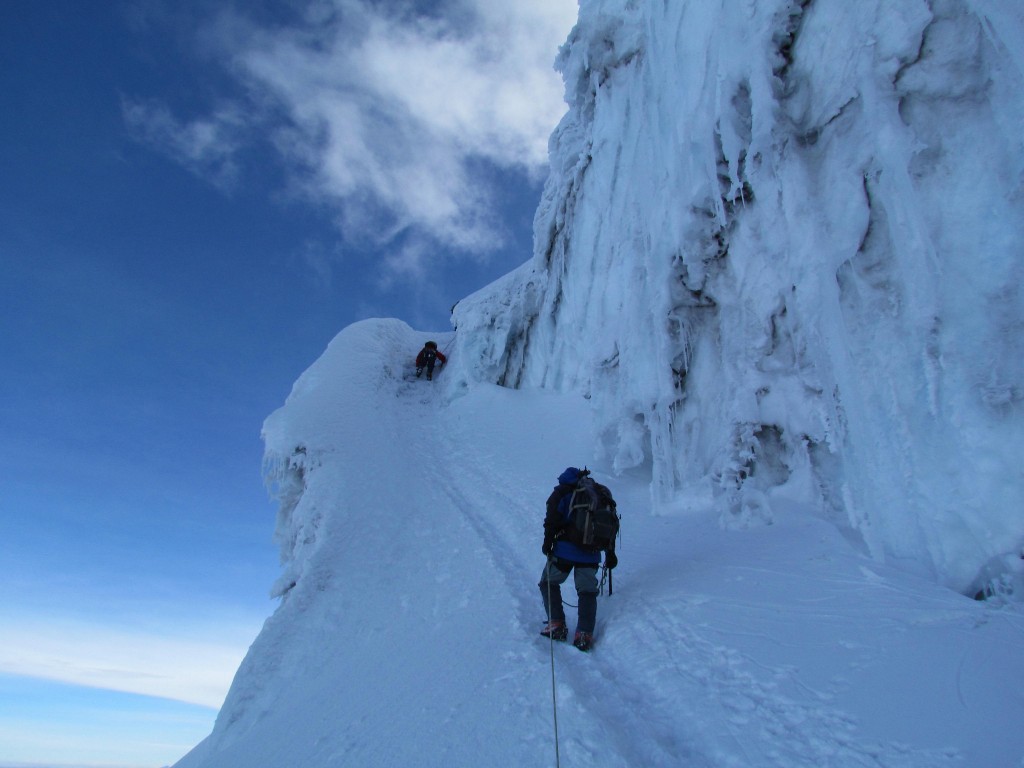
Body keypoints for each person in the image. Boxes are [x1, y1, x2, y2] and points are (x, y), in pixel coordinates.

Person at [539, 467, 618, 651]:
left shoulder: (561, 492)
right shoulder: (600, 493)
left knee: (548, 582)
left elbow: (551, 520)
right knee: (587, 591)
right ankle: (584, 634)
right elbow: (610, 525)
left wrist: (547, 544)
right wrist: (610, 553)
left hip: (564, 551)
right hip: (591, 553)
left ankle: (556, 624)